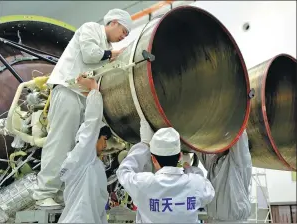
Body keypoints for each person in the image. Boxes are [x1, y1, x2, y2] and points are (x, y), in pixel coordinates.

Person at [33, 8, 132, 208]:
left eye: (127, 35)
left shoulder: (107, 46)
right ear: (113, 22)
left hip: (83, 97)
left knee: (72, 148)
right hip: (68, 90)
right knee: (60, 142)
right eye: (123, 30)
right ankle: (44, 192)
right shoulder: (91, 29)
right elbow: (89, 55)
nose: (123, 36)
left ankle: (59, 191)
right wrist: (113, 54)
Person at [116, 120, 215, 223]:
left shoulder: (144, 183)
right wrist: (189, 168)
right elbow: (209, 193)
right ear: (180, 156)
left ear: (153, 159)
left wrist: (144, 145)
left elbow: (123, 171)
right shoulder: (195, 183)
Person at [57, 76, 112, 223]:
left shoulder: (87, 162)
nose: (105, 146)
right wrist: (94, 91)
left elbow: (98, 209)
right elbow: (91, 124)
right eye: (104, 139)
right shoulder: (81, 157)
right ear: (94, 138)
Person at [196, 130, 252, 222]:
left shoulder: (238, 162)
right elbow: (199, 147)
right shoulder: (213, 163)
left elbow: (239, 134)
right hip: (212, 220)